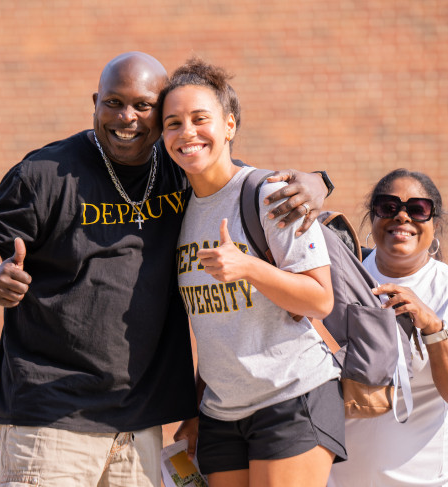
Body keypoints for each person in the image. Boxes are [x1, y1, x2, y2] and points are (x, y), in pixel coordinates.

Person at [0, 51, 333, 487]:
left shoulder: (178, 169)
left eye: (143, 106)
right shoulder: (46, 172)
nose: (127, 118)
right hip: (52, 414)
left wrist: (316, 181)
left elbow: (234, 176)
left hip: (141, 425)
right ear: (95, 102)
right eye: (114, 103)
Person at [161, 58, 346, 487]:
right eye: (173, 123)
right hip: (222, 412)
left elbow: (320, 298)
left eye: (199, 118)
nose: (187, 132)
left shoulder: (270, 195)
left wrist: (248, 267)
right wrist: (195, 409)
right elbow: (212, 326)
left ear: (229, 125)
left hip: (292, 394)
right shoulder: (179, 213)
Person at [328, 168, 448, 487]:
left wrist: (432, 326)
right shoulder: (341, 279)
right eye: (388, 207)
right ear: (373, 217)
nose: (402, 217)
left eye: (418, 209)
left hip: (436, 482)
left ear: (435, 223)